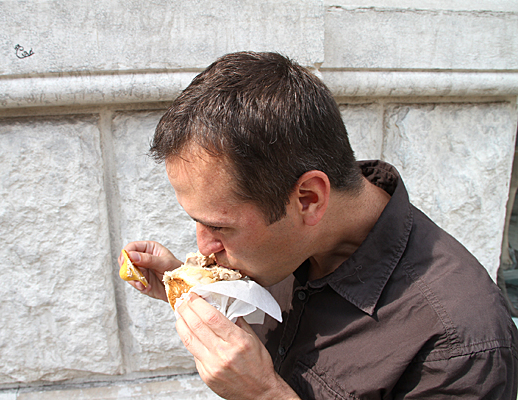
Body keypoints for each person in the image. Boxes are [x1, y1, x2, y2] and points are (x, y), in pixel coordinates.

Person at [120, 51, 518, 399]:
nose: (204, 246)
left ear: (308, 199)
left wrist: (264, 396)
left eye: (220, 228)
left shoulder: (460, 343)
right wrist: (186, 285)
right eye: (196, 222)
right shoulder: (289, 243)